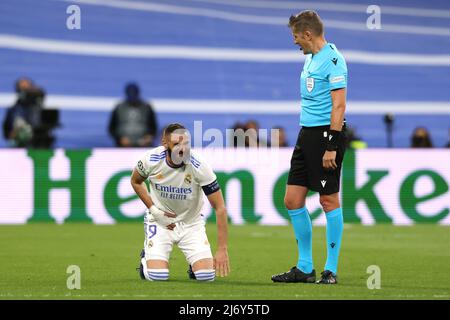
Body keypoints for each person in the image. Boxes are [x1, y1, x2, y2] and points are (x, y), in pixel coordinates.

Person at [271, 10, 348, 285]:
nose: (294, 42)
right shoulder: (311, 59)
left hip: (327, 136)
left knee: (328, 200)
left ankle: (330, 269)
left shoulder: (334, 61)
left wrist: (332, 146)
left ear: (307, 34)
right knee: (292, 200)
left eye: (295, 36)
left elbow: (339, 106)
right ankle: (305, 268)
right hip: (306, 135)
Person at [130, 123, 230, 281]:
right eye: (177, 144)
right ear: (165, 144)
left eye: (186, 143)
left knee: (206, 276)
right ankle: (146, 259)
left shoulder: (199, 165)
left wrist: (222, 249)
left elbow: (220, 208)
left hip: (191, 224)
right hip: (160, 223)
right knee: (157, 276)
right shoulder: (151, 159)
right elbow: (136, 181)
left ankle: (194, 266)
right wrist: (154, 211)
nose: (182, 148)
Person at [2, 78, 53, 148]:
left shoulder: (38, 108)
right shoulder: (13, 109)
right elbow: (7, 129)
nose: (24, 91)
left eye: (27, 88)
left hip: (38, 143)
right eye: (21, 88)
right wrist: (12, 135)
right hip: (17, 145)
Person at [109, 82, 158, 147]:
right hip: (123, 146)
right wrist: (119, 138)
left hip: (143, 145)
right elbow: (111, 128)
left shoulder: (147, 107)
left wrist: (149, 136)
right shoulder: (119, 108)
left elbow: (153, 126)